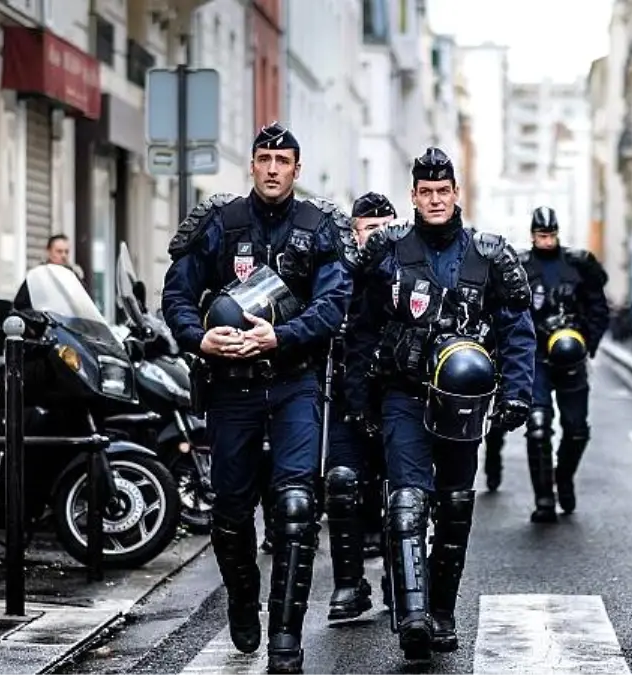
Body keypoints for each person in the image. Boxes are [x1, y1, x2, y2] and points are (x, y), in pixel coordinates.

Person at [160, 122, 352, 672]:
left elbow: (334, 304)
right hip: (231, 389)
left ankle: (286, 644)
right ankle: (243, 603)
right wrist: (199, 337)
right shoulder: (222, 224)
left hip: (294, 384)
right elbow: (176, 293)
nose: (273, 168)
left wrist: (281, 335)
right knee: (230, 512)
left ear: (297, 168)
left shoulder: (319, 228)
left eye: (283, 160)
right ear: (251, 165)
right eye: (264, 158)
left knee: (295, 508)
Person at [345, 147, 535, 660]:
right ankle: (412, 616)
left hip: (463, 405)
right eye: (425, 193)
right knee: (407, 502)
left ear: (456, 195)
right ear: (413, 196)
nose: (434, 200)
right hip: (402, 394)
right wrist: (359, 398)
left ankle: (443, 612)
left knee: (453, 509)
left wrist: (518, 393)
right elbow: (362, 328)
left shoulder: (488, 254)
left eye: (442, 192)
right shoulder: (386, 250)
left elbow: (518, 327)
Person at [482, 206, 610, 521]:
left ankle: (562, 478)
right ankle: (543, 499)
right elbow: (503, 310)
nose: (546, 240)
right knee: (537, 427)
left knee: (577, 430)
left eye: (551, 235)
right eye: (541, 235)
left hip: (570, 356)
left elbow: (597, 307)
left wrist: (587, 344)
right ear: (532, 235)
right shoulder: (520, 267)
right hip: (535, 356)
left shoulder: (577, 265)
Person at [323, 191, 395, 622]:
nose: (377, 236)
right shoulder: (338, 275)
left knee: (403, 494)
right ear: (355, 232)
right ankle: (349, 584)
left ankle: (398, 578)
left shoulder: (408, 269)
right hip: (348, 398)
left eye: (385, 227)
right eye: (369, 229)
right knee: (343, 483)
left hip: (398, 399)